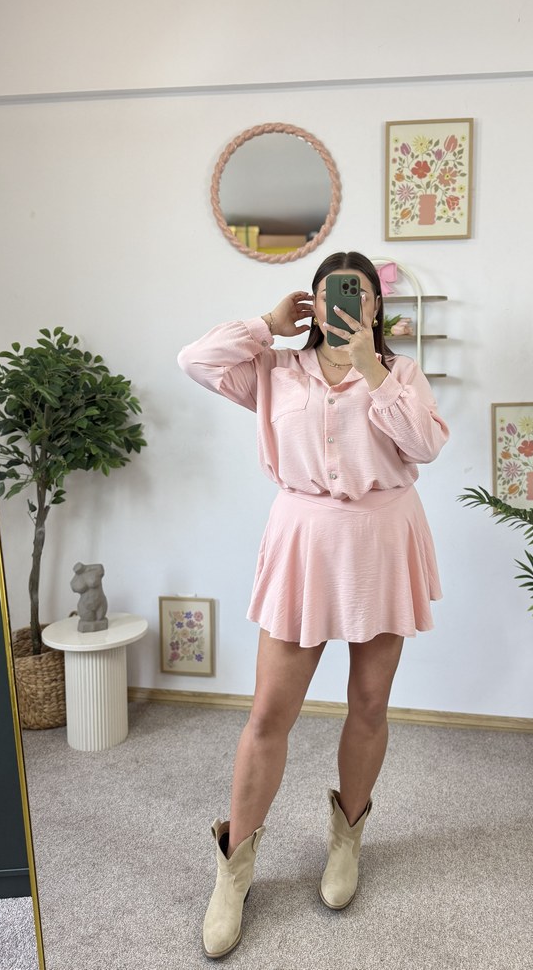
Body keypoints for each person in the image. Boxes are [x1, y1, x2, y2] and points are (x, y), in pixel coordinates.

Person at [177, 250, 449, 959]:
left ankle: (346, 840)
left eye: (357, 294)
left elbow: (425, 444)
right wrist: (265, 326)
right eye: (332, 292)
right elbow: (194, 361)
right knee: (270, 713)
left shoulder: (399, 375)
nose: (344, 304)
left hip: (382, 540)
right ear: (313, 302)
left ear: (375, 307)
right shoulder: (274, 370)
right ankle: (234, 871)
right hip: (303, 543)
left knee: (369, 704)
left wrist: (371, 369)